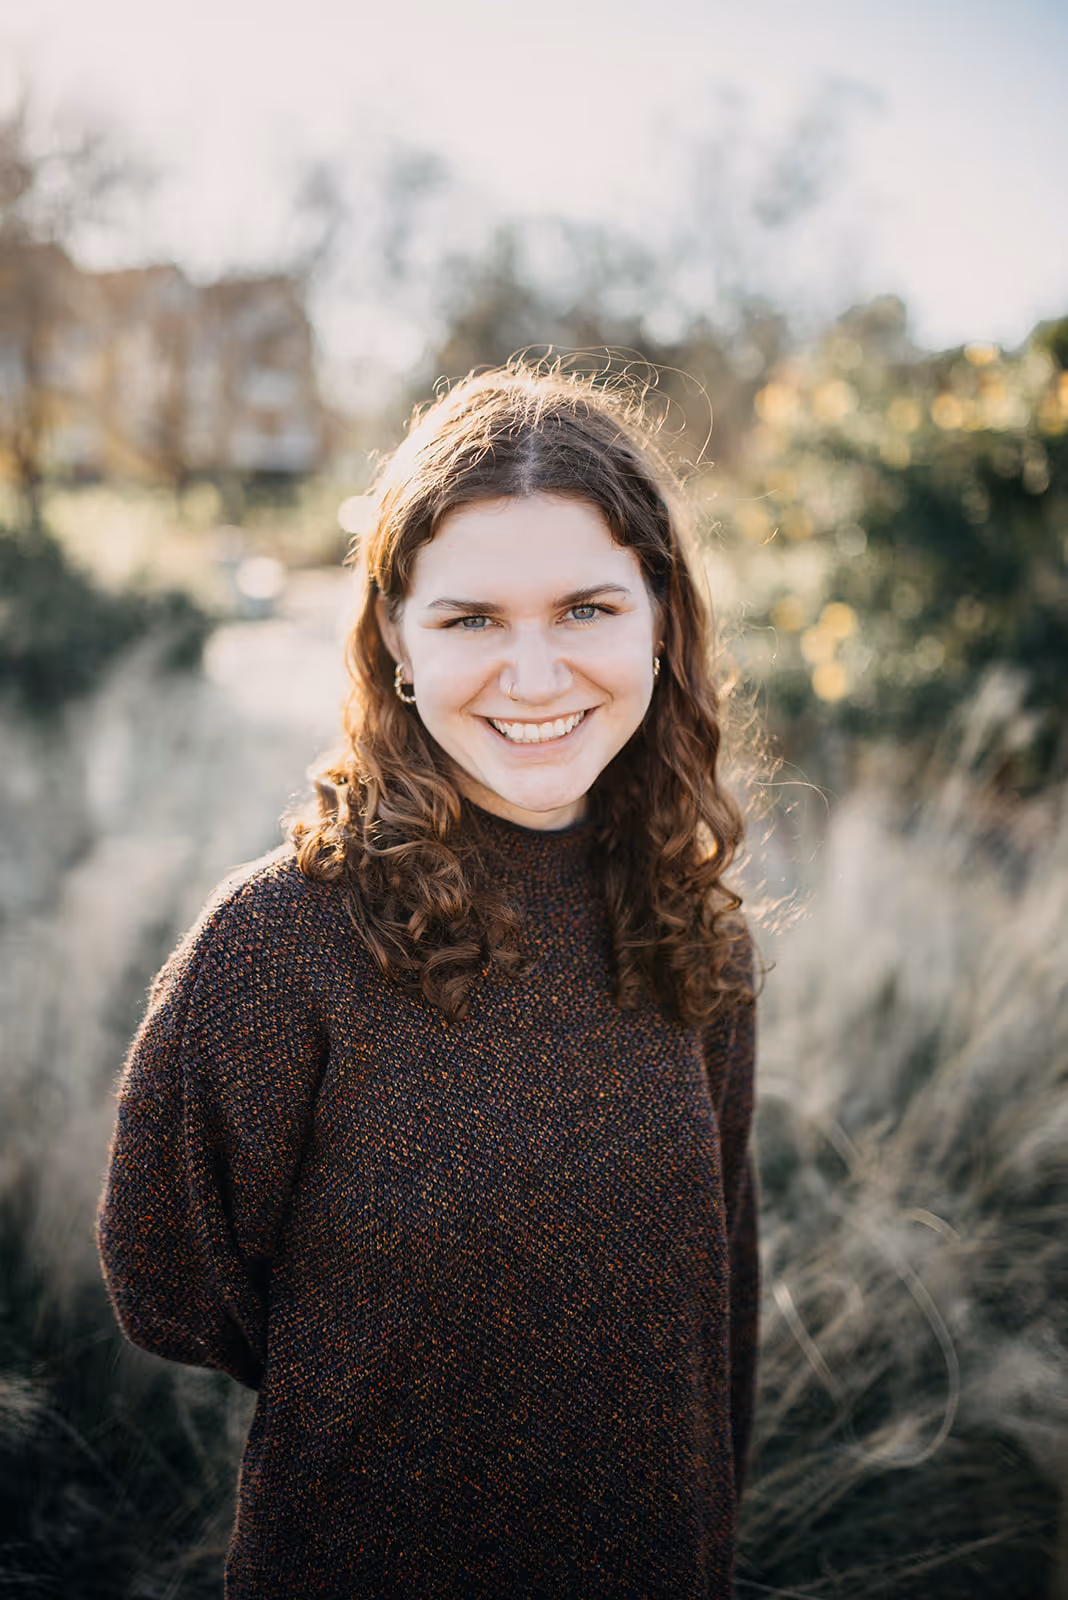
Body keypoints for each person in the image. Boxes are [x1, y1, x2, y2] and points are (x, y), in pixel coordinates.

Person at [97, 364, 759, 1599]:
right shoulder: (280, 945)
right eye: (471, 620)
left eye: (585, 609)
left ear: (660, 619)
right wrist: (398, 1392)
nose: (536, 675)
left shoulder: (689, 920)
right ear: (393, 634)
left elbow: (722, 1288)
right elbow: (169, 1278)